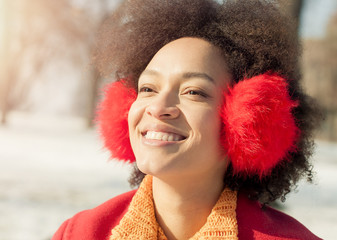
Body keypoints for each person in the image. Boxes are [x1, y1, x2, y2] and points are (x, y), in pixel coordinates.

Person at [52, 0, 322, 239]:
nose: (158, 107)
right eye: (148, 89)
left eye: (193, 92)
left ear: (250, 120)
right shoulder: (79, 233)